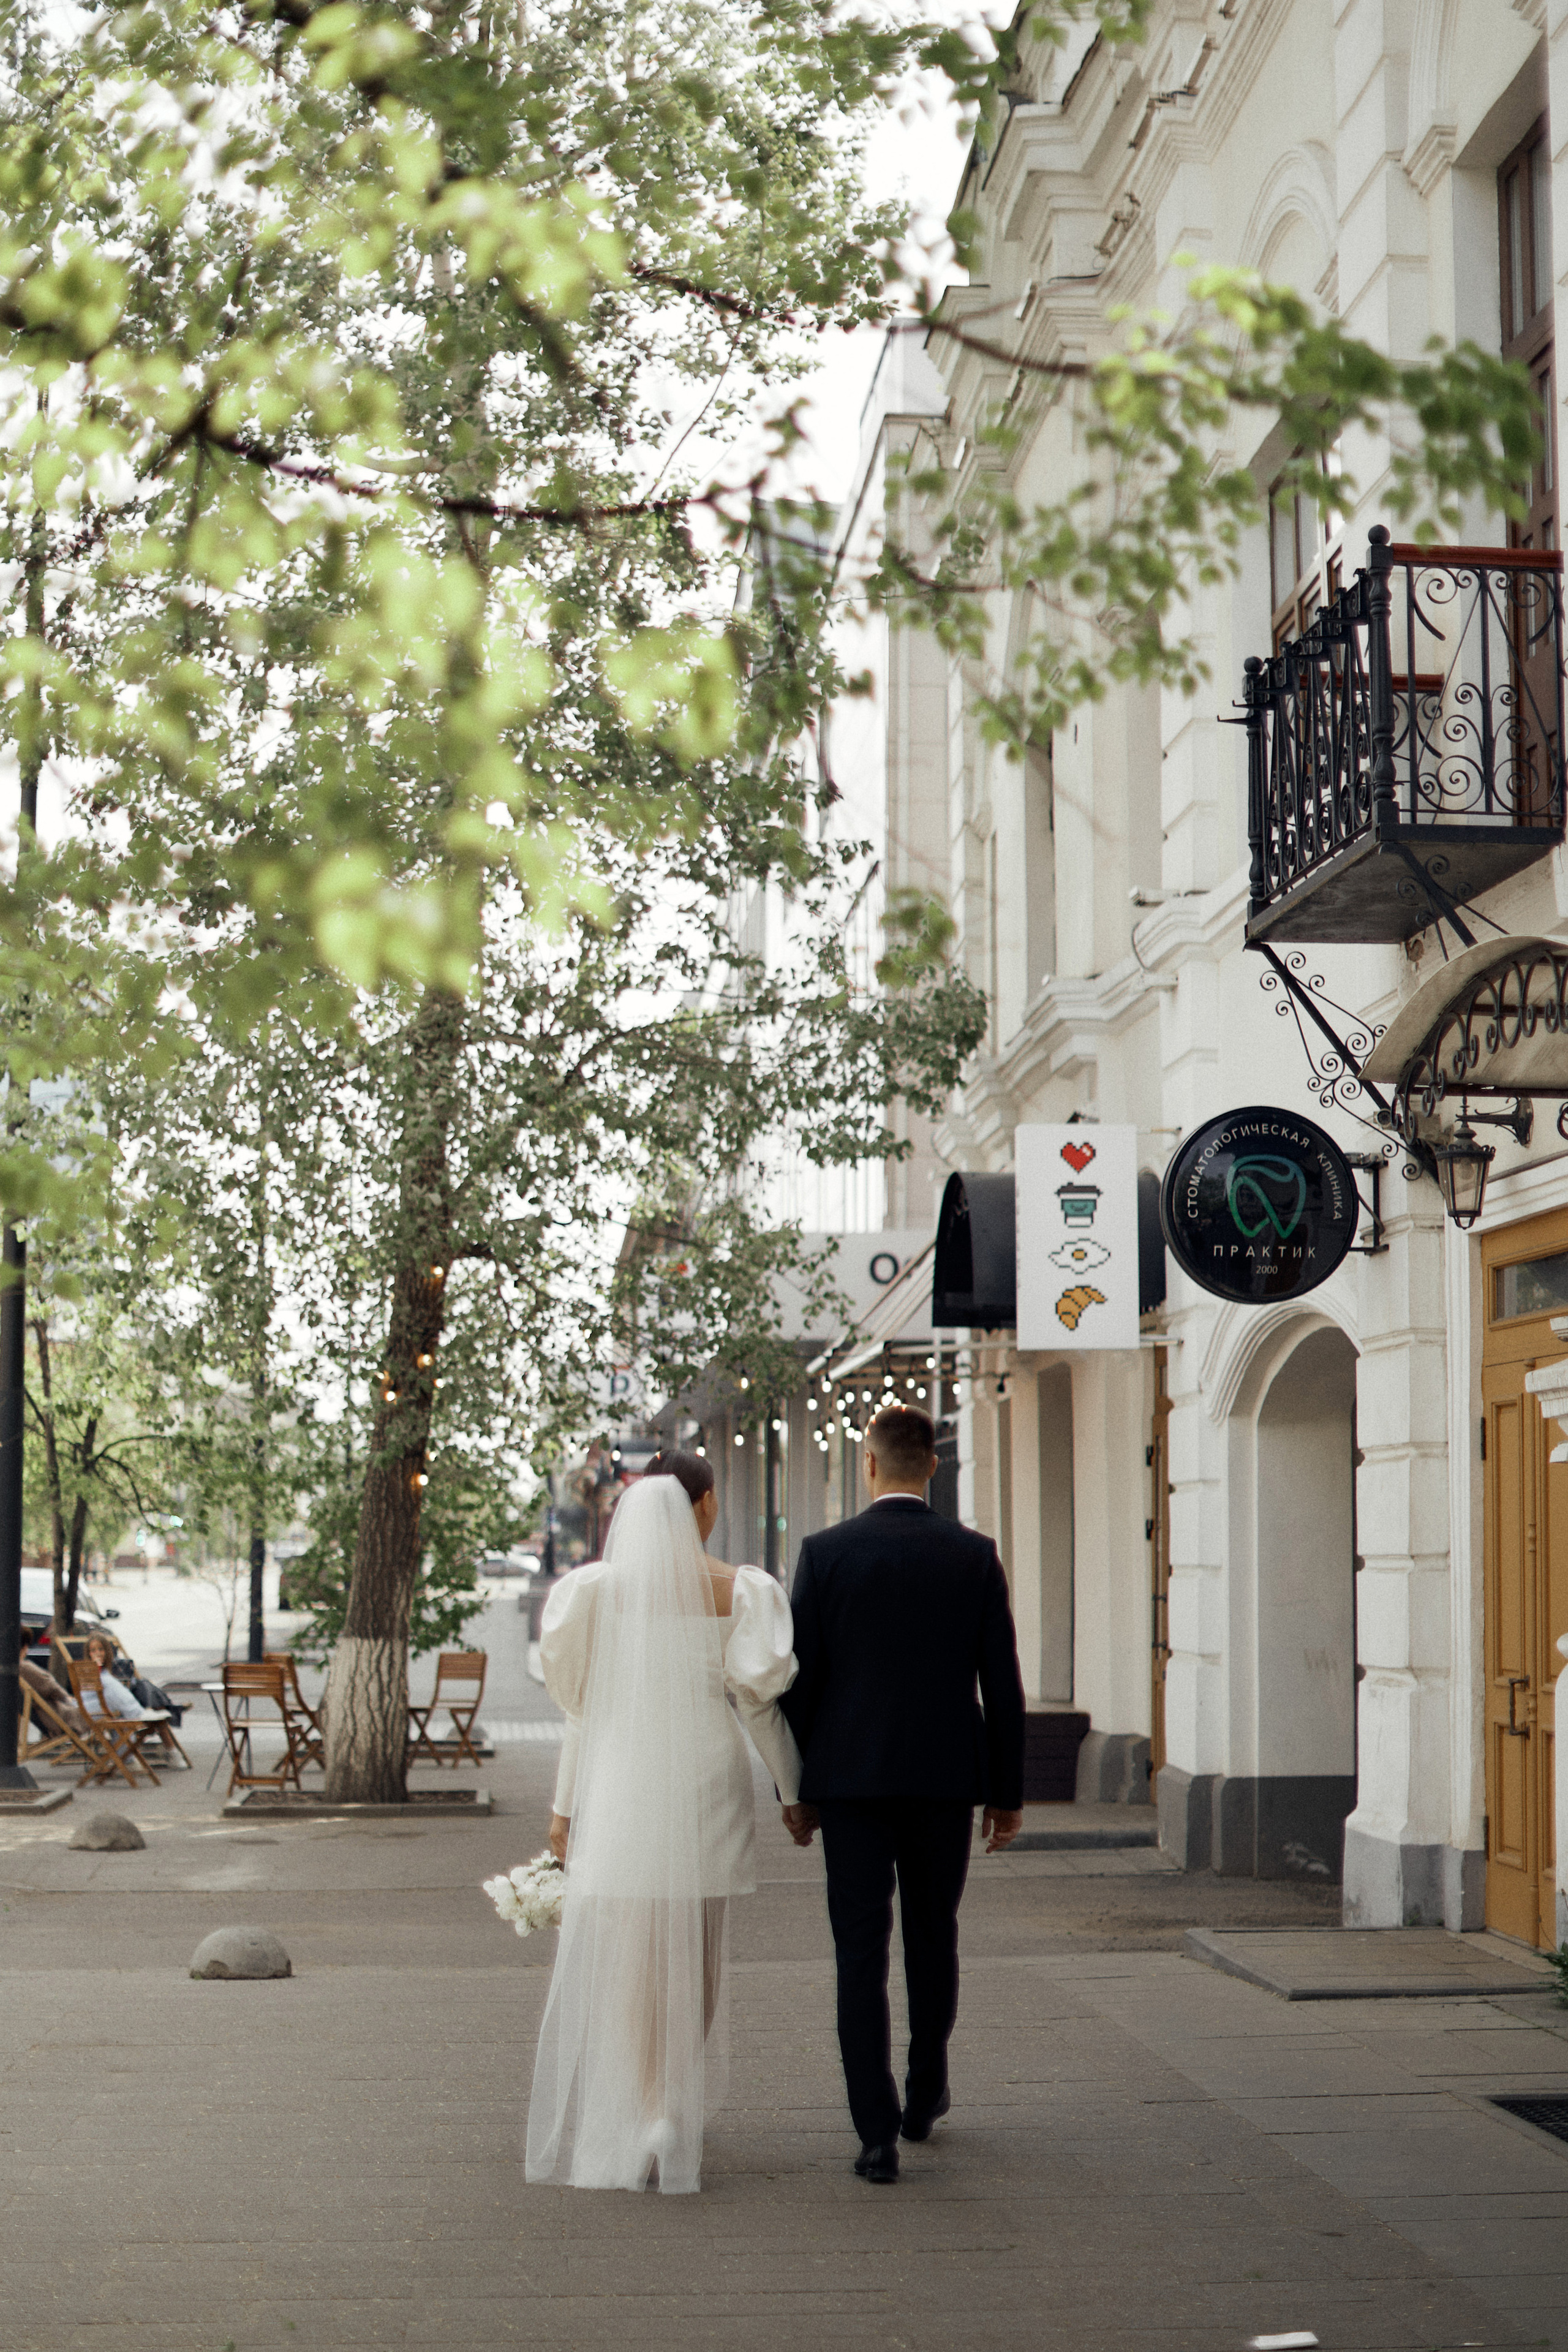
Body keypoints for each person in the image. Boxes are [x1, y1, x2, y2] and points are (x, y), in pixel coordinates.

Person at [525, 1454, 802, 2194]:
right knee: (700, 1945)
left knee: (631, 1949)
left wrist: (564, 1807)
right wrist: (792, 1791)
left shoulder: (594, 1594)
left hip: (621, 1777)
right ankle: (668, 2102)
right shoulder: (740, 1592)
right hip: (705, 1777)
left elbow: (581, 1708)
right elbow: (757, 1704)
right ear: (704, 1505)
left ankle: (640, 2103)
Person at [782, 1403, 1026, 2187]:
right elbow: (1003, 1684)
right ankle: (925, 2095)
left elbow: (799, 1683)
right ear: (933, 1466)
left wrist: (799, 1787)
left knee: (859, 1952)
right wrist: (1007, 1793)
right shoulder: (973, 1555)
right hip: (943, 1782)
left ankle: (875, 2132)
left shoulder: (825, 1555)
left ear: (869, 1463)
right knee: (932, 1935)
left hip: (850, 1783)